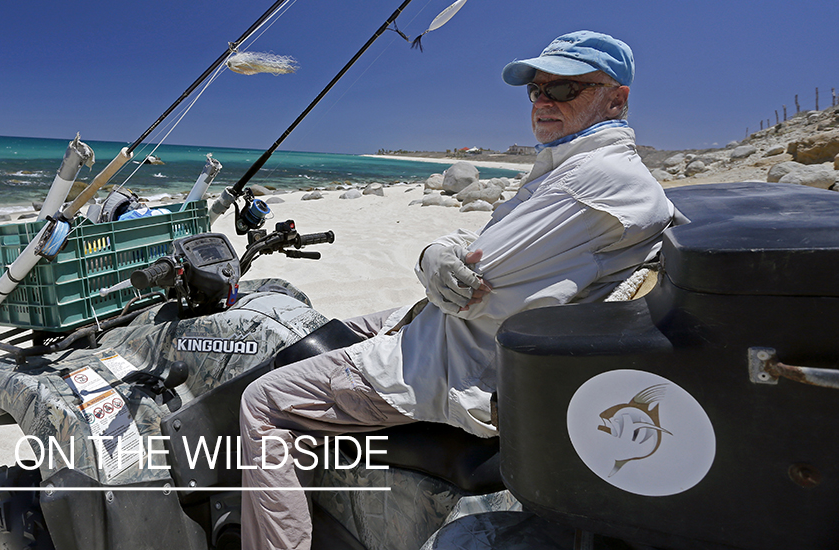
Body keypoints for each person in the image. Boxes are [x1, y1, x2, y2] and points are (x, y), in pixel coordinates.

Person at [238, 30, 675, 550]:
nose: (543, 102)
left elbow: (476, 274)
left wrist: (438, 258)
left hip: (460, 360)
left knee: (262, 401)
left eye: (565, 89)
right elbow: (481, 239)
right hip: (469, 331)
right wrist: (436, 253)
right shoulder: (576, 166)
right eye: (537, 90)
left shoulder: (591, 179)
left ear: (616, 97)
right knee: (345, 326)